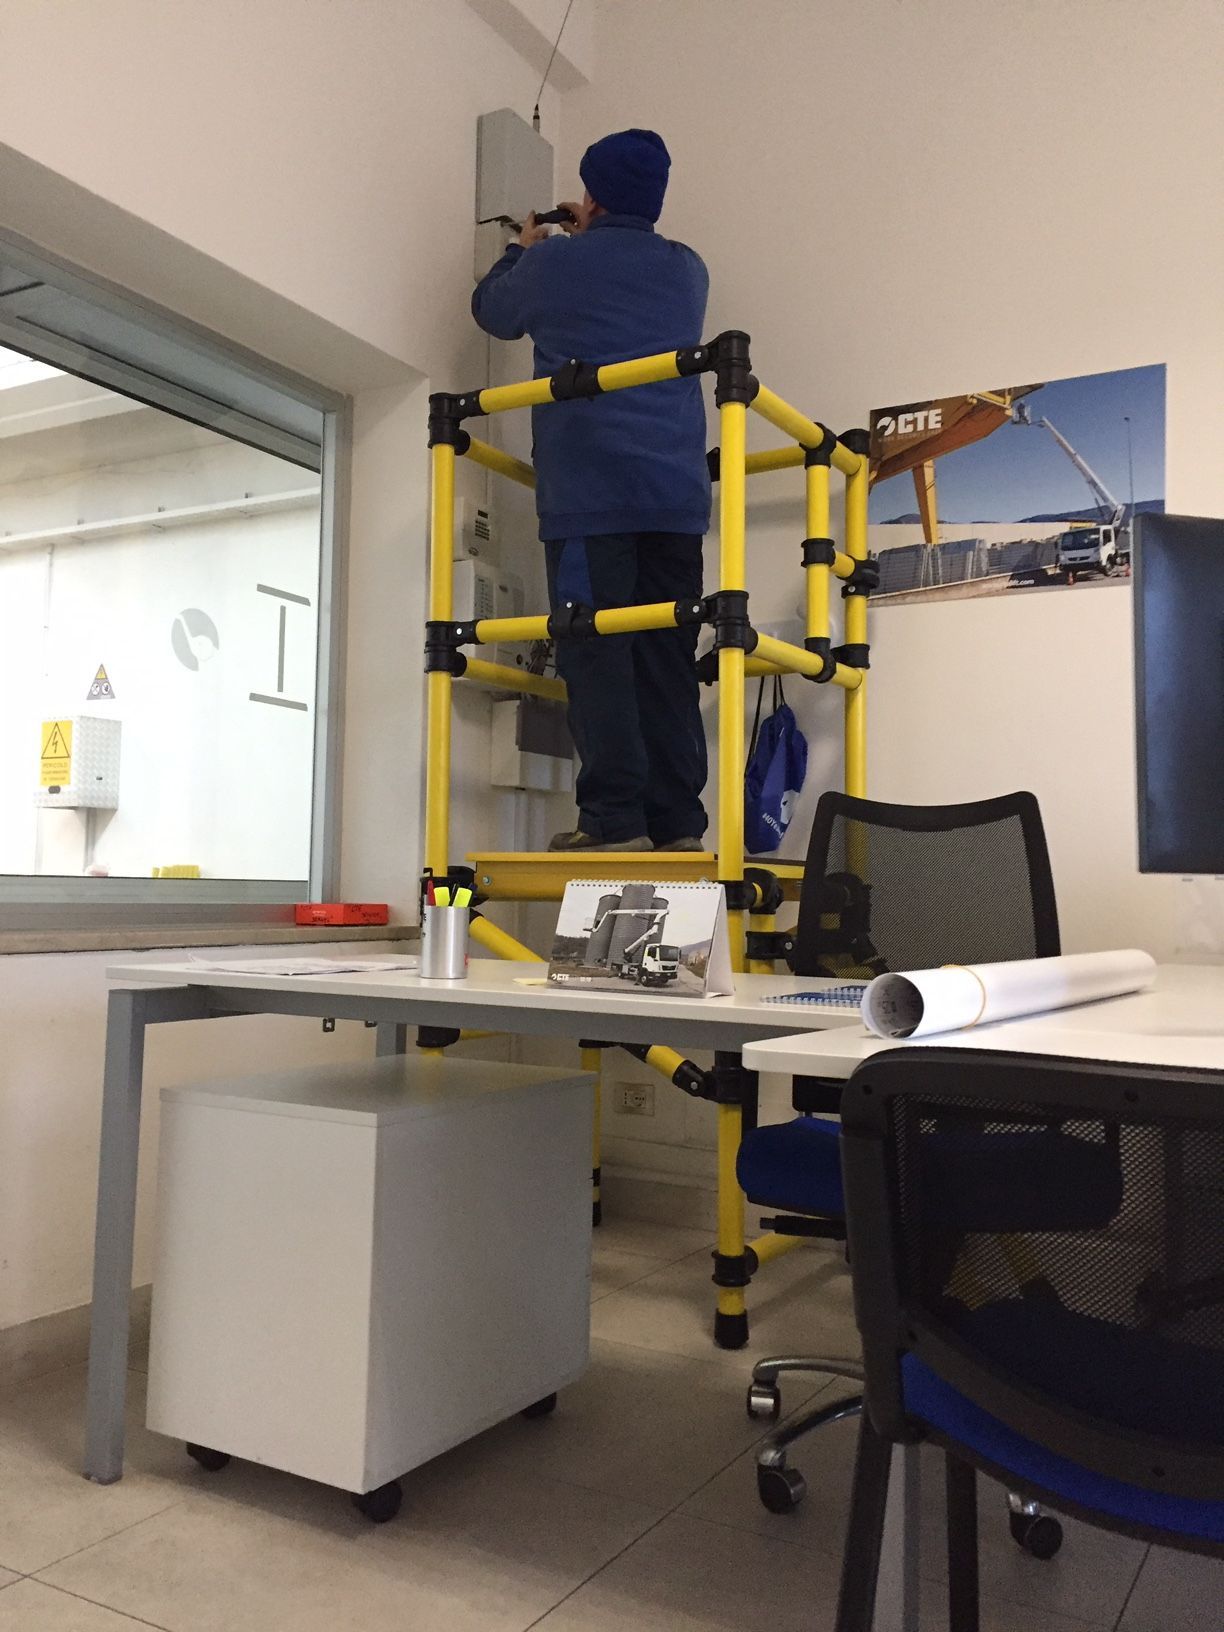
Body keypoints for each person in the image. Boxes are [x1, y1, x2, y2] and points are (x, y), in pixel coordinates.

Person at [472, 128, 710, 853]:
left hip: (591, 495)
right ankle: (677, 825)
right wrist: (591, 234)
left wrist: (524, 248)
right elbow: (621, 288)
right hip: (674, 499)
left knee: (597, 654)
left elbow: (493, 311)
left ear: (592, 196)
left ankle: (613, 822)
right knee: (665, 659)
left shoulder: (555, 265)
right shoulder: (687, 270)